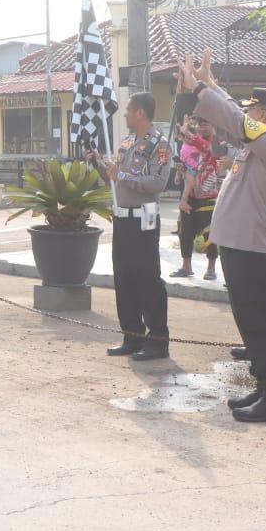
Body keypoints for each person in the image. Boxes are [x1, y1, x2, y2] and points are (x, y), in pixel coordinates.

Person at [181, 52, 266, 423]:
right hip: (241, 246)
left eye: (255, 112)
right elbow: (235, 114)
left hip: (255, 250)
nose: (249, 116)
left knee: (262, 323)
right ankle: (264, 388)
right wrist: (212, 83)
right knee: (250, 321)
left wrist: (200, 88)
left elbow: (234, 117)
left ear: (264, 116)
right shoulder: (260, 145)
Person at [91, 91, 173, 361]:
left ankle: (157, 341)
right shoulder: (126, 143)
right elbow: (115, 181)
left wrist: (124, 175)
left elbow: (158, 183)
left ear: (140, 113)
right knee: (124, 279)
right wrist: (100, 164)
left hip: (144, 220)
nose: (124, 114)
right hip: (123, 219)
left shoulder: (159, 145)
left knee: (147, 279)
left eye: (128, 110)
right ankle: (132, 335)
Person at [172, 116, 223, 280]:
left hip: (209, 195)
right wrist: (180, 171)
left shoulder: (217, 143)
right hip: (190, 195)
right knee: (184, 231)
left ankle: (211, 268)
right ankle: (186, 266)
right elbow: (186, 163)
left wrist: (187, 132)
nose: (201, 128)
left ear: (213, 125)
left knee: (210, 233)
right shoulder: (191, 143)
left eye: (205, 124)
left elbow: (206, 148)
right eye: (199, 125)